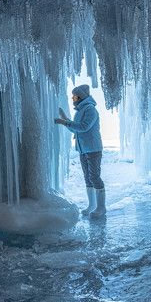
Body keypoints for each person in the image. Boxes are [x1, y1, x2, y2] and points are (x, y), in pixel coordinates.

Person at [54, 84, 105, 218]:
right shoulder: (80, 111)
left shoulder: (90, 109)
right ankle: (92, 206)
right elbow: (75, 128)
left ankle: (101, 207)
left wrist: (63, 122)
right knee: (88, 178)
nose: (73, 98)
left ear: (81, 97)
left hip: (93, 149)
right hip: (83, 149)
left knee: (94, 177)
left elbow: (84, 127)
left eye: (75, 96)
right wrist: (65, 119)